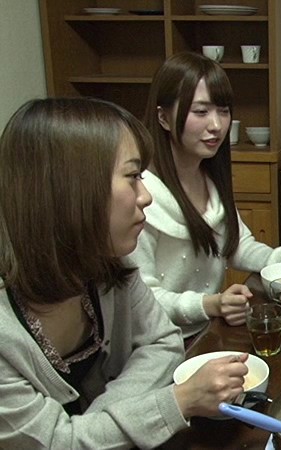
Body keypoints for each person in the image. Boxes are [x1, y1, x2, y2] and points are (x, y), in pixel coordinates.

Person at [0, 97, 251, 448]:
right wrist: (175, 402)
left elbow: (163, 342)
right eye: (133, 177)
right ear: (72, 191)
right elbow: (57, 443)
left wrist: (98, 425)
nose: (146, 196)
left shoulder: (110, 267)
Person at [127, 52, 281, 340]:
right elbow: (140, 299)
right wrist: (209, 304)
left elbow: (235, 245)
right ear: (163, 118)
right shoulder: (140, 196)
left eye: (223, 111)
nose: (217, 125)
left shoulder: (208, 176)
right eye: (201, 112)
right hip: (160, 343)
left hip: (207, 331)